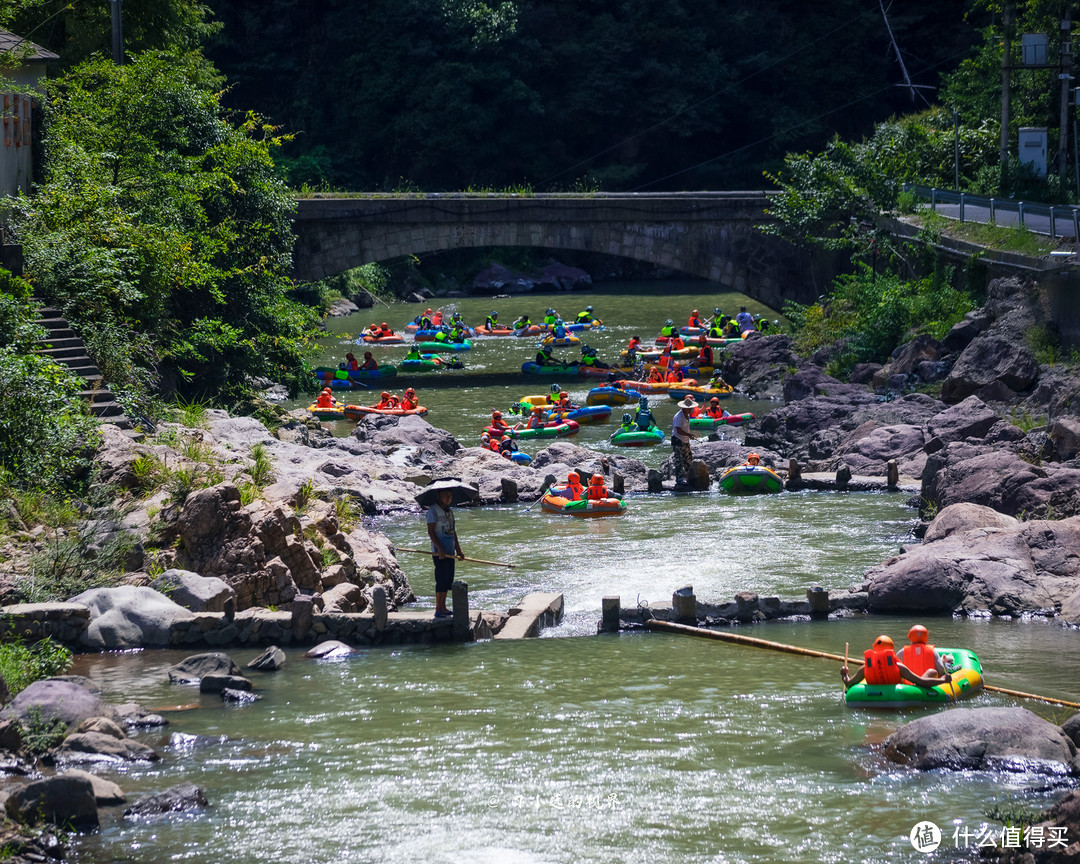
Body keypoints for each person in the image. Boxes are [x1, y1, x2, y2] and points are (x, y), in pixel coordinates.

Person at [841, 635, 951, 690]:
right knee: (931, 671)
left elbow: (848, 684)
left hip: (872, 697)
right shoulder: (898, 667)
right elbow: (920, 682)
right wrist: (942, 680)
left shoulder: (865, 668)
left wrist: (844, 674)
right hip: (899, 695)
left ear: (874, 649)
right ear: (891, 650)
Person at [425, 487, 464, 619]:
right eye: (445, 495)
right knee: (441, 580)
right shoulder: (433, 510)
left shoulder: (450, 512)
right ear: (439, 496)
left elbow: (454, 532)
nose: (448, 497)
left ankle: (444, 607)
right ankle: (438, 608)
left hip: (450, 551)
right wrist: (439, 548)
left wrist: (458, 549)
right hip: (439, 552)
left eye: (450, 495)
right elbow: (431, 532)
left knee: (448, 580)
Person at [672, 397, 699, 486]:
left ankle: (688, 476)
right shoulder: (678, 417)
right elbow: (678, 430)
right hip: (678, 440)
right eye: (688, 408)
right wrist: (689, 435)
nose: (690, 410)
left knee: (688, 459)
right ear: (684, 408)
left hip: (685, 440)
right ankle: (679, 478)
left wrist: (689, 436)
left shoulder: (687, 415)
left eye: (690, 408)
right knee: (679, 460)